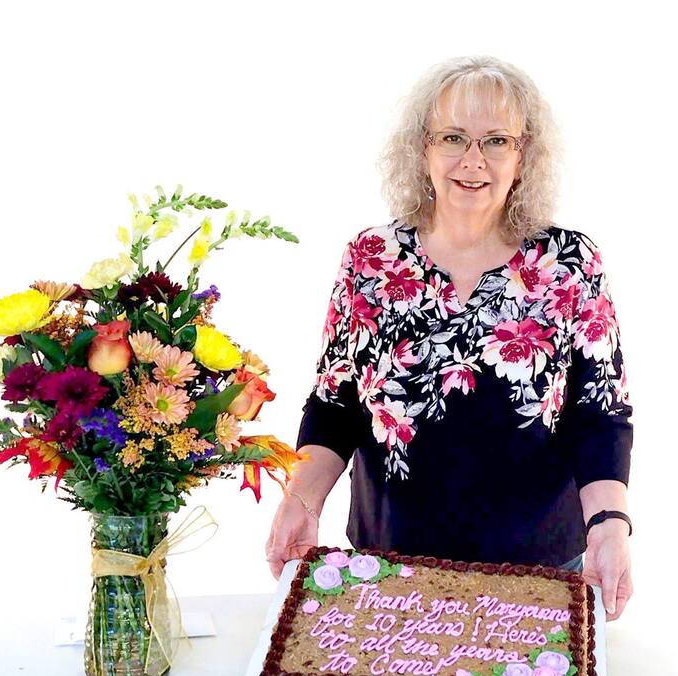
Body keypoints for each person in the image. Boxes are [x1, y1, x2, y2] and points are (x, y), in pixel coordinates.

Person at [265, 56, 635, 621]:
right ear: (423, 149)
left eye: (496, 141)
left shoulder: (569, 263)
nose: (472, 160)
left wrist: (609, 527)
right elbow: (335, 403)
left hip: (537, 574)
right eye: (453, 137)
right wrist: (300, 501)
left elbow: (599, 416)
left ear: (524, 155)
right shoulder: (372, 258)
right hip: (387, 566)